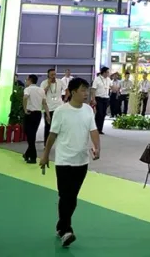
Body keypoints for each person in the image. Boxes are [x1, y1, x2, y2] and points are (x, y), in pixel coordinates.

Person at [41, 77, 100, 248]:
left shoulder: (88, 110)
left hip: (82, 161)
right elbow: (52, 135)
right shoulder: (61, 111)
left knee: (72, 197)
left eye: (87, 90)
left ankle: (61, 226)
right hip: (64, 161)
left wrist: (97, 147)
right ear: (73, 92)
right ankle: (67, 230)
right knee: (65, 195)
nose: (86, 94)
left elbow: (93, 130)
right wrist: (45, 155)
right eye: (83, 90)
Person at [21, 74, 46, 164]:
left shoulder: (28, 89)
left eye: (27, 79)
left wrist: (25, 109)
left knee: (29, 134)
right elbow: (44, 103)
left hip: (30, 113)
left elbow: (25, 98)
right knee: (32, 135)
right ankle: (27, 154)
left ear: (30, 80)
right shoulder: (41, 90)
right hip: (38, 114)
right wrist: (47, 114)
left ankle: (33, 157)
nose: (26, 81)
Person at [41, 68, 63, 142]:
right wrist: (49, 84)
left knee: (60, 125)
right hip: (49, 108)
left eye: (54, 74)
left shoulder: (59, 81)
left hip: (59, 107)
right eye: (52, 75)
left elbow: (67, 90)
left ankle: (59, 142)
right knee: (48, 126)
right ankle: (46, 143)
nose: (53, 76)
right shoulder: (44, 83)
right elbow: (42, 93)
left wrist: (65, 99)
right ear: (48, 75)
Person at [92, 67, 111, 134]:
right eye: (107, 72)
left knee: (103, 114)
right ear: (104, 72)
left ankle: (100, 129)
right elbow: (93, 90)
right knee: (99, 113)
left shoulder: (108, 79)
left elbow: (111, 86)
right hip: (99, 98)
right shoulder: (97, 79)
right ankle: (95, 128)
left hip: (106, 98)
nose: (108, 73)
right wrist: (93, 99)